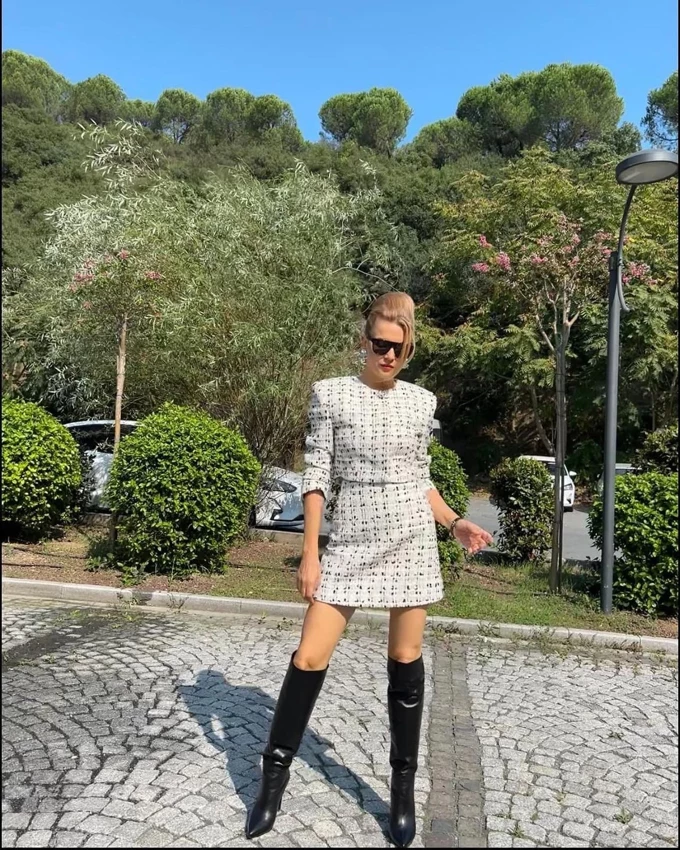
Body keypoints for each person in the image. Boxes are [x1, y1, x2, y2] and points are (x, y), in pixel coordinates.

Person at [245, 292, 493, 848]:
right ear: (364, 340)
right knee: (309, 656)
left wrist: (454, 521)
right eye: (380, 344)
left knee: (405, 659)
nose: (388, 356)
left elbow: (420, 478)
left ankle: (402, 791)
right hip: (350, 542)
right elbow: (317, 475)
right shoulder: (330, 393)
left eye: (399, 349)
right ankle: (272, 782)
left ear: (409, 350)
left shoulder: (421, 402)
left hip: (410, 540)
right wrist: (311, 552)